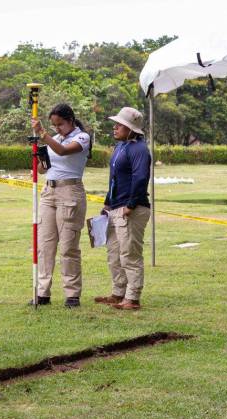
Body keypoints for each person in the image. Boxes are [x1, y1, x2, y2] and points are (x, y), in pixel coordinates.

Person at [30, 104, 91, 307]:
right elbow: (42, 169)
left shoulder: (82, 137)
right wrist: (39, 156)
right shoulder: (54, 139)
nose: (57, 129)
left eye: (61, 124)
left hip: (70, 192)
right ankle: (42, 293)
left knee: (68, 246)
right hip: (49, 192)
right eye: (54, 125)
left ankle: (72, 294)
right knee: (45, 246)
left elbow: (64, 152)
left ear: (71, 120)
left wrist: (43, 134)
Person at [95, 107, 152, 311]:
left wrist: (130, 204)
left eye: (119, 125)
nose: (115, 127)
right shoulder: (121, 146)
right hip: (115, 208)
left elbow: (140, 178)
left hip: (131, 209)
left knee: (130, 254)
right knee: (114, 253)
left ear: (130, 128)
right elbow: (115, 179)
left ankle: (133, 298)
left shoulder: (139, 149)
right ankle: (118, 292)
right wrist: (107, 202)